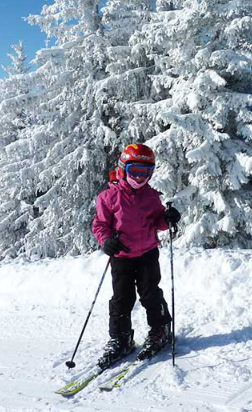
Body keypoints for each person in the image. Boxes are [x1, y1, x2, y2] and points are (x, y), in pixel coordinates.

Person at [92, 143, 181, 368]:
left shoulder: (151, 196)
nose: (140, 178)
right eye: (135, 172)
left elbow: (158, 220)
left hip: (148, 253)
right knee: (122, 299)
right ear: (123, 168)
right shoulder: (108, 197)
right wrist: (107, 241)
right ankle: (121, 338)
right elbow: (100, 225)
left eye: (145, 173)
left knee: (150, 294)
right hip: (121, 255)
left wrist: (168, 218)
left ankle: (160, 329)